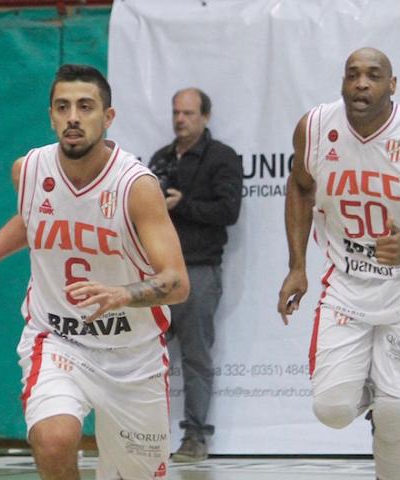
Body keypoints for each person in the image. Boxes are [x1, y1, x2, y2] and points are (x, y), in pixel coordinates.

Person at [0, 64, 190, 480]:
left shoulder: (136, 186)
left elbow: (177, 282)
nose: (73, 117)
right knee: (53, 439)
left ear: (108, 117)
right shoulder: (29, 170)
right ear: (51, 116)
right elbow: (33, 221)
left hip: (133, 354)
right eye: (63, 107)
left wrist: (124, 293)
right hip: (58, 338)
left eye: (85, 106)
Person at [277, 48, 400, 480]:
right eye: (353, 74)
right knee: (331, 410)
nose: (362, 83)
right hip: (347, 286)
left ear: (392, 85)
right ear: (343, 82)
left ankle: (386, 413)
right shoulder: (315, 128)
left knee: (396, 411)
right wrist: (297, 266)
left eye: (374, 75)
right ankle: (372, 395)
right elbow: (300, 188)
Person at [148, 88, 243, 462]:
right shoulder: (160, 158)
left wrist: (182, 204)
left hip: (199, 269)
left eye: (188, 113)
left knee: (195, 355)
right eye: (176, 112)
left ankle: (196, 436)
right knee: (143, 353)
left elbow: (228, 211)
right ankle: (143, 431)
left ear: (205, 116)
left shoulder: (222, 158)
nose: (180, 120)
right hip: (159, 271)